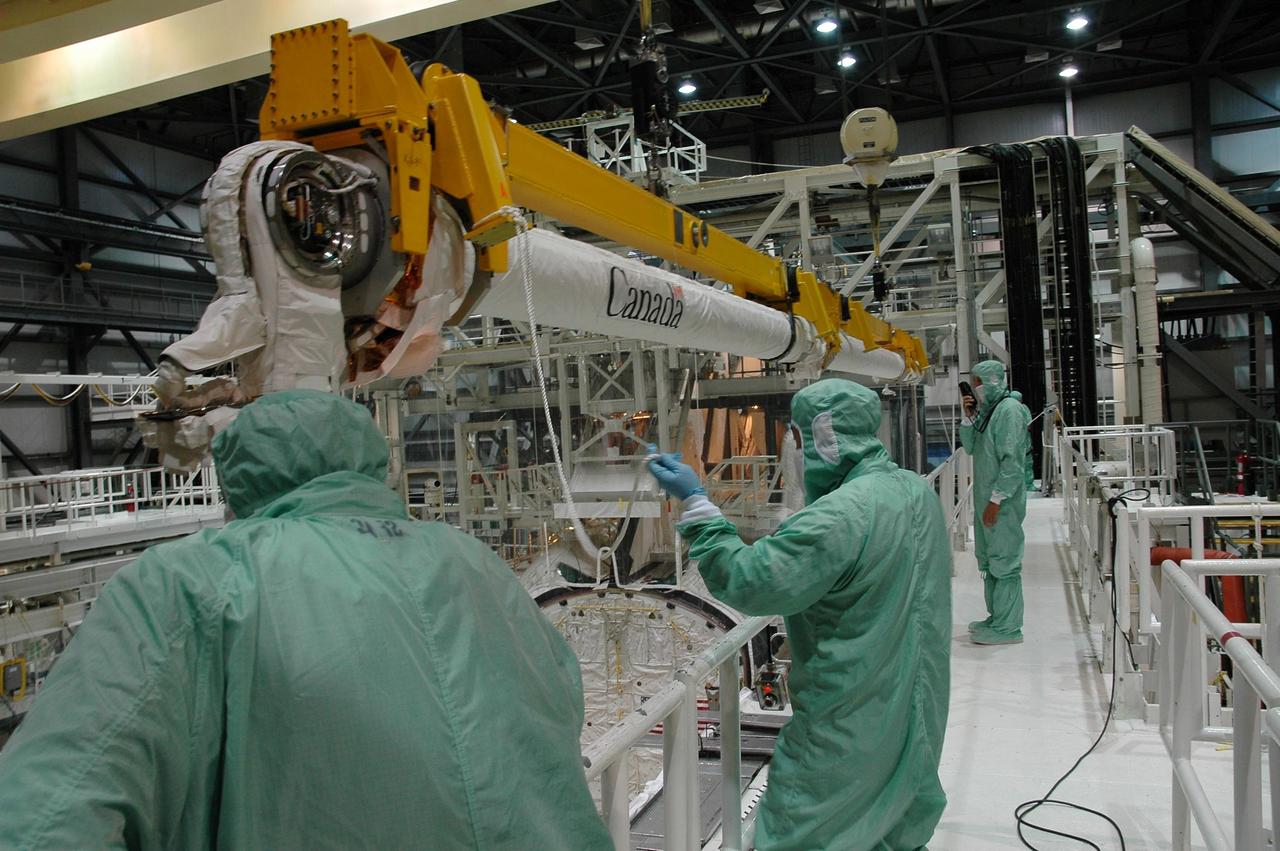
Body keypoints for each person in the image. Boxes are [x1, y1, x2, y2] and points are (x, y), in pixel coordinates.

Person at [0, 390, 611, 850]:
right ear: (373, 464)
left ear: (235, 482)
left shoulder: (189, 581)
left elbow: (50, 810)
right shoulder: (473, 562)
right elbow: (559, 699)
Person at [649, 378, 951, 851]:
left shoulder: (840, 516)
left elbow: (750, 580)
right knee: (890, 821)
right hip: (916, 708)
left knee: (804, 827)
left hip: (849, 720)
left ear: (822, 441)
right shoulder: (915, 492)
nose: (795, 448)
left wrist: (696, 504)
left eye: (799, 437)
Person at [960, 359, 1032, 646]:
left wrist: (997, 500)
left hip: (1000, 502)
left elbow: (1012, 461)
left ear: (992, 380)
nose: (976, 387)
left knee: (1005, 562)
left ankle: (1009, 627)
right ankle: (997, 617)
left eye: (979, 381)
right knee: (990, 561)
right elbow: (970, 446)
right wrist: (969, 416)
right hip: (987, 499)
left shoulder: (1009, 411)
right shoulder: (990, 413)